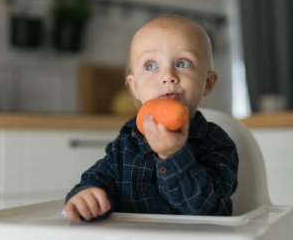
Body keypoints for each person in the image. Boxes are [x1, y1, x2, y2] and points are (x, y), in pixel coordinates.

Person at [64, 15, 239, 222]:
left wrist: (173, 154)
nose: (167, 76)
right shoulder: (127, 141)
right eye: (150, 66)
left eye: (182, 63)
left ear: (208, 83)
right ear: (134, 86)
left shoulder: (218, 144)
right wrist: (86, 194)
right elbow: (101, 177)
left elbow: (206, 212)